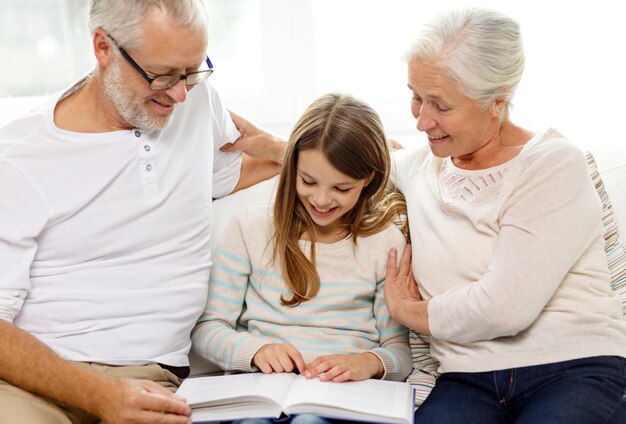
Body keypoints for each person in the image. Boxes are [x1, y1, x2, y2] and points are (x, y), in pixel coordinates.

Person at [0, 1, 283, 423]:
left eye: (193, 71)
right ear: (102, 47)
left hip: (153, 379)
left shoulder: (196, 103)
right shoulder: (20, 157)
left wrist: (293, 149)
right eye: (163, 75)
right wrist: (99, 395)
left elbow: (226, 174)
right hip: (34, 385)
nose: (180, 93)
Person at [382, 7, 626, 423]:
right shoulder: (419, 166)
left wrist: (408, 311)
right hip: (466, 379)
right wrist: (265, 149)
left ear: (496, 101)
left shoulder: (552, 164)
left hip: (573, 367)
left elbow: (504, 307)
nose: (422, 120)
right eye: (415, 96)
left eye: (440, 104)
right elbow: (342, 161)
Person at [192, 93, 413, 423]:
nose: (322, 200)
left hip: (339, 400)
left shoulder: (384, 243)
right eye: (308, 181)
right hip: (259, 395)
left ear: (368, 180)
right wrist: (256, 352)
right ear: (291, 165)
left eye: (342, 188)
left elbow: (400, 350)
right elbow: (207, 330)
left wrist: (368, 362)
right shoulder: (250, 227)